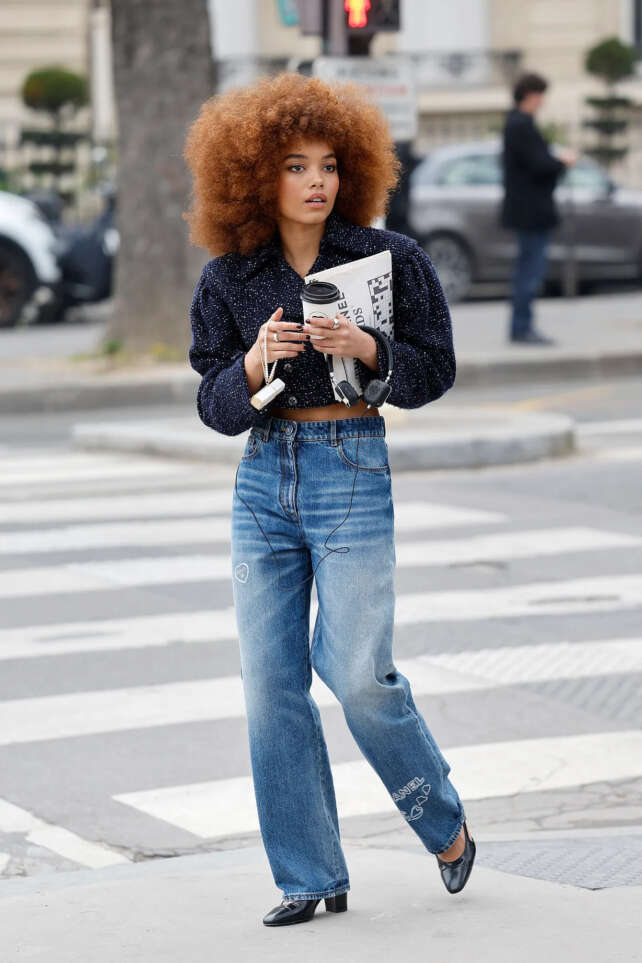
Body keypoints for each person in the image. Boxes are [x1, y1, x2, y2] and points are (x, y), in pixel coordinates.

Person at [183, 71, 475, 928]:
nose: (317, 181)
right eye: (295, 165)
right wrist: (248, 367)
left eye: (328, 165)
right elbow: (212, 402)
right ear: (255, 177)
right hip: (264, 478)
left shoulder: (390, 260)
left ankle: (442, 818)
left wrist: (371, 348)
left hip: (351, 464)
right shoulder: (231, 278)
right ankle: (309, 875)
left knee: (356, 674)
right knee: (270, 685)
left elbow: (437, 370)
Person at [500, 71, 577, 344]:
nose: (542, 102)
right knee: (530, 272)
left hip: (528, 211)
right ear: (531, 96)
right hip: (531, 212)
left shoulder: (516, 123)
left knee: (528, 269)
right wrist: (563, 162)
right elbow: (538, 164)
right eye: (540, 96)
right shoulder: (521, 124)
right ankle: (522, 328)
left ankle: (521, 327)